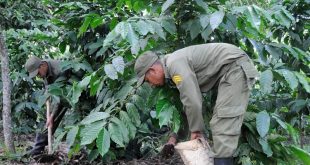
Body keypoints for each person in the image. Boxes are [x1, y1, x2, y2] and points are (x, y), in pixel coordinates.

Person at [134, 43, 259, 165]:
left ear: (152, 70)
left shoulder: (174, 65)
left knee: (223, 125)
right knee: (220, 125)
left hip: (235, 67)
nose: (150, 84)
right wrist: (173, 138)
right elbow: (186, 108)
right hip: (229, 70)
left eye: (147, 80)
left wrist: (196, 130)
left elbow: (192, 101)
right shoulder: (171, 71)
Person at [24, 56, 77, 156]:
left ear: (43, 65)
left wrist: (52, 116)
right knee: (48, 120)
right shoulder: (45, 70)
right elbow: (48, 88)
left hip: (74, 91)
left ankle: (76, 149)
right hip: (60, 93)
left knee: (62, 118)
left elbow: (59, 98)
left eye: (38, 73)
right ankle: (38, 148)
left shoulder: (59, 69)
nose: (38, 76)